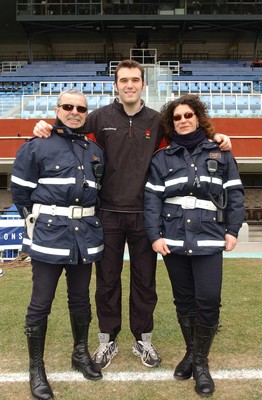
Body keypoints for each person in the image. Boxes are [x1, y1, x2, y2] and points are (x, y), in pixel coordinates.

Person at [32, 60, 232, 371]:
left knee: (144, 283)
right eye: (123, 80)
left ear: (143, 85)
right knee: (107, 281)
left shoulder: (158, 121)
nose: (129, 85)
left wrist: (218, 139)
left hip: (146, 217)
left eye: (135, 80)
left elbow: (188, 139)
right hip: (107, 215)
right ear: (115, 85)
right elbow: (67, 130)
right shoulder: (97, 118)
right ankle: (107, 339)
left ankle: (143, 339)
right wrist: (43, 126)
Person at [144, 94, 245, 397]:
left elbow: (235, 195)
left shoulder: (221, 152)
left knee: (209, 299)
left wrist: (233, 229)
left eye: (189, 115)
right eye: (177, 117)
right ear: (171, 123)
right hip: (173, 239)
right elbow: (151, 201)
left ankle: (200, 363)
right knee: (184, 302)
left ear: (198, 117)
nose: (183, 120)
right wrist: (154, 235)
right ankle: (193, 354)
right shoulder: (162, 158)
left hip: (209, 237)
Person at [11, 89, 105, 400]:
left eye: (81, 108)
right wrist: (39, 223)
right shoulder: (36, 145)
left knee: (80, 300)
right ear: (57, 108)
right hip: (49, 237)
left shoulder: (94, 149)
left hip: (84, 238)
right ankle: (36, 369)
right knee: (41, 303)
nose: (74, 112)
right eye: (68, 106)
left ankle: (80, 354)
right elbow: (21, 194)